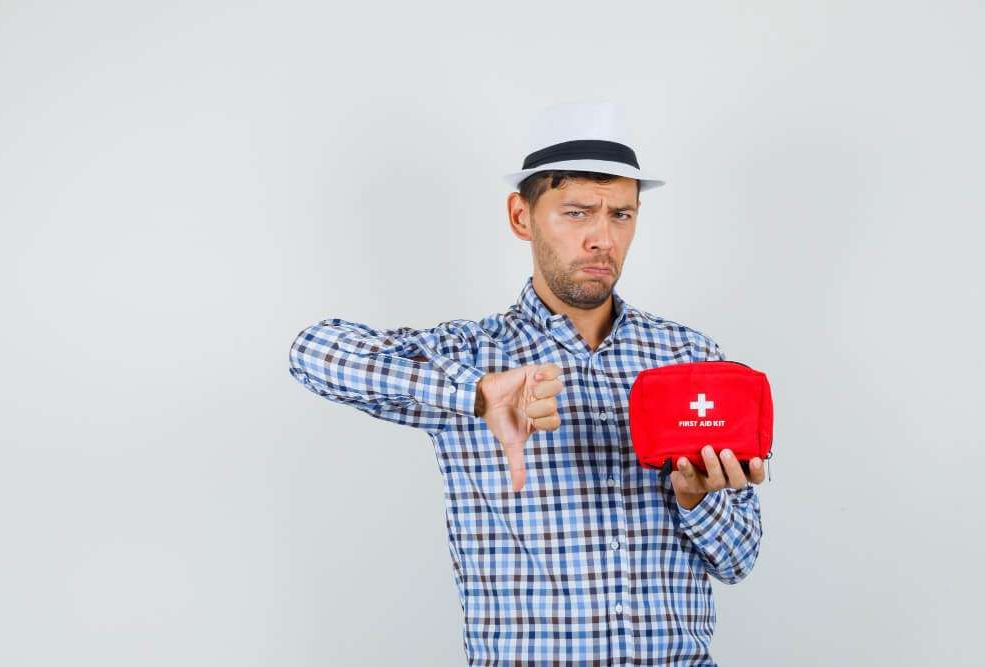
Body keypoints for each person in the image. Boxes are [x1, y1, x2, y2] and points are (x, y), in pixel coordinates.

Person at [288, 101, 766, 666]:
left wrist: (698, 500)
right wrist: (477, 392)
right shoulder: (469, 354)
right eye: (577, 212)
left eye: (621, 215)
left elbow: (738, 561)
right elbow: (313, 351)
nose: (602, 240)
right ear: (522, 217)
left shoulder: (690, 358)